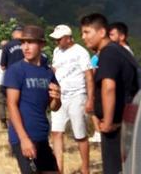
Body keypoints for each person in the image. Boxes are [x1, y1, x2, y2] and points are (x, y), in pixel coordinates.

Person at [80, 13, 136, 174]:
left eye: (87, 32)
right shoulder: (120, 51)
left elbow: (108, 87)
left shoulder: (108, 53)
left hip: (116, 126)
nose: (83, 37)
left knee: (114, 169)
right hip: (126, 122)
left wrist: (108, 122)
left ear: (102, 32)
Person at [4, 25, 61, 174]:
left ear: (42, 44)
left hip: (41, 136)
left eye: (31, 42)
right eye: (23, 42)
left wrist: (57, 98)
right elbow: (11, 105)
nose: (26, 47)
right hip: (23, 136)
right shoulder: (16, 70)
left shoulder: (47, 71)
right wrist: (23, 139)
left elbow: (54, 107)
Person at [49, 25, 93, 174]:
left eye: (59, 39)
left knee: (79, 134)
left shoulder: (80, 52)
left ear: (68, 38)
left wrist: (90, 99)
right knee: (56, 131)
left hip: (77, 95)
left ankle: (85, 169)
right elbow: (55, 71)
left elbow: (89, 75)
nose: (57, 42)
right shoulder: (56, 51)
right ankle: (58, 169)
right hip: (60, 96)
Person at [0, 39, 9, 128]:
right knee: (11, 101)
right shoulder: (8, 54)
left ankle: (3, 121)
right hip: (7, 80)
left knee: (1, 102)